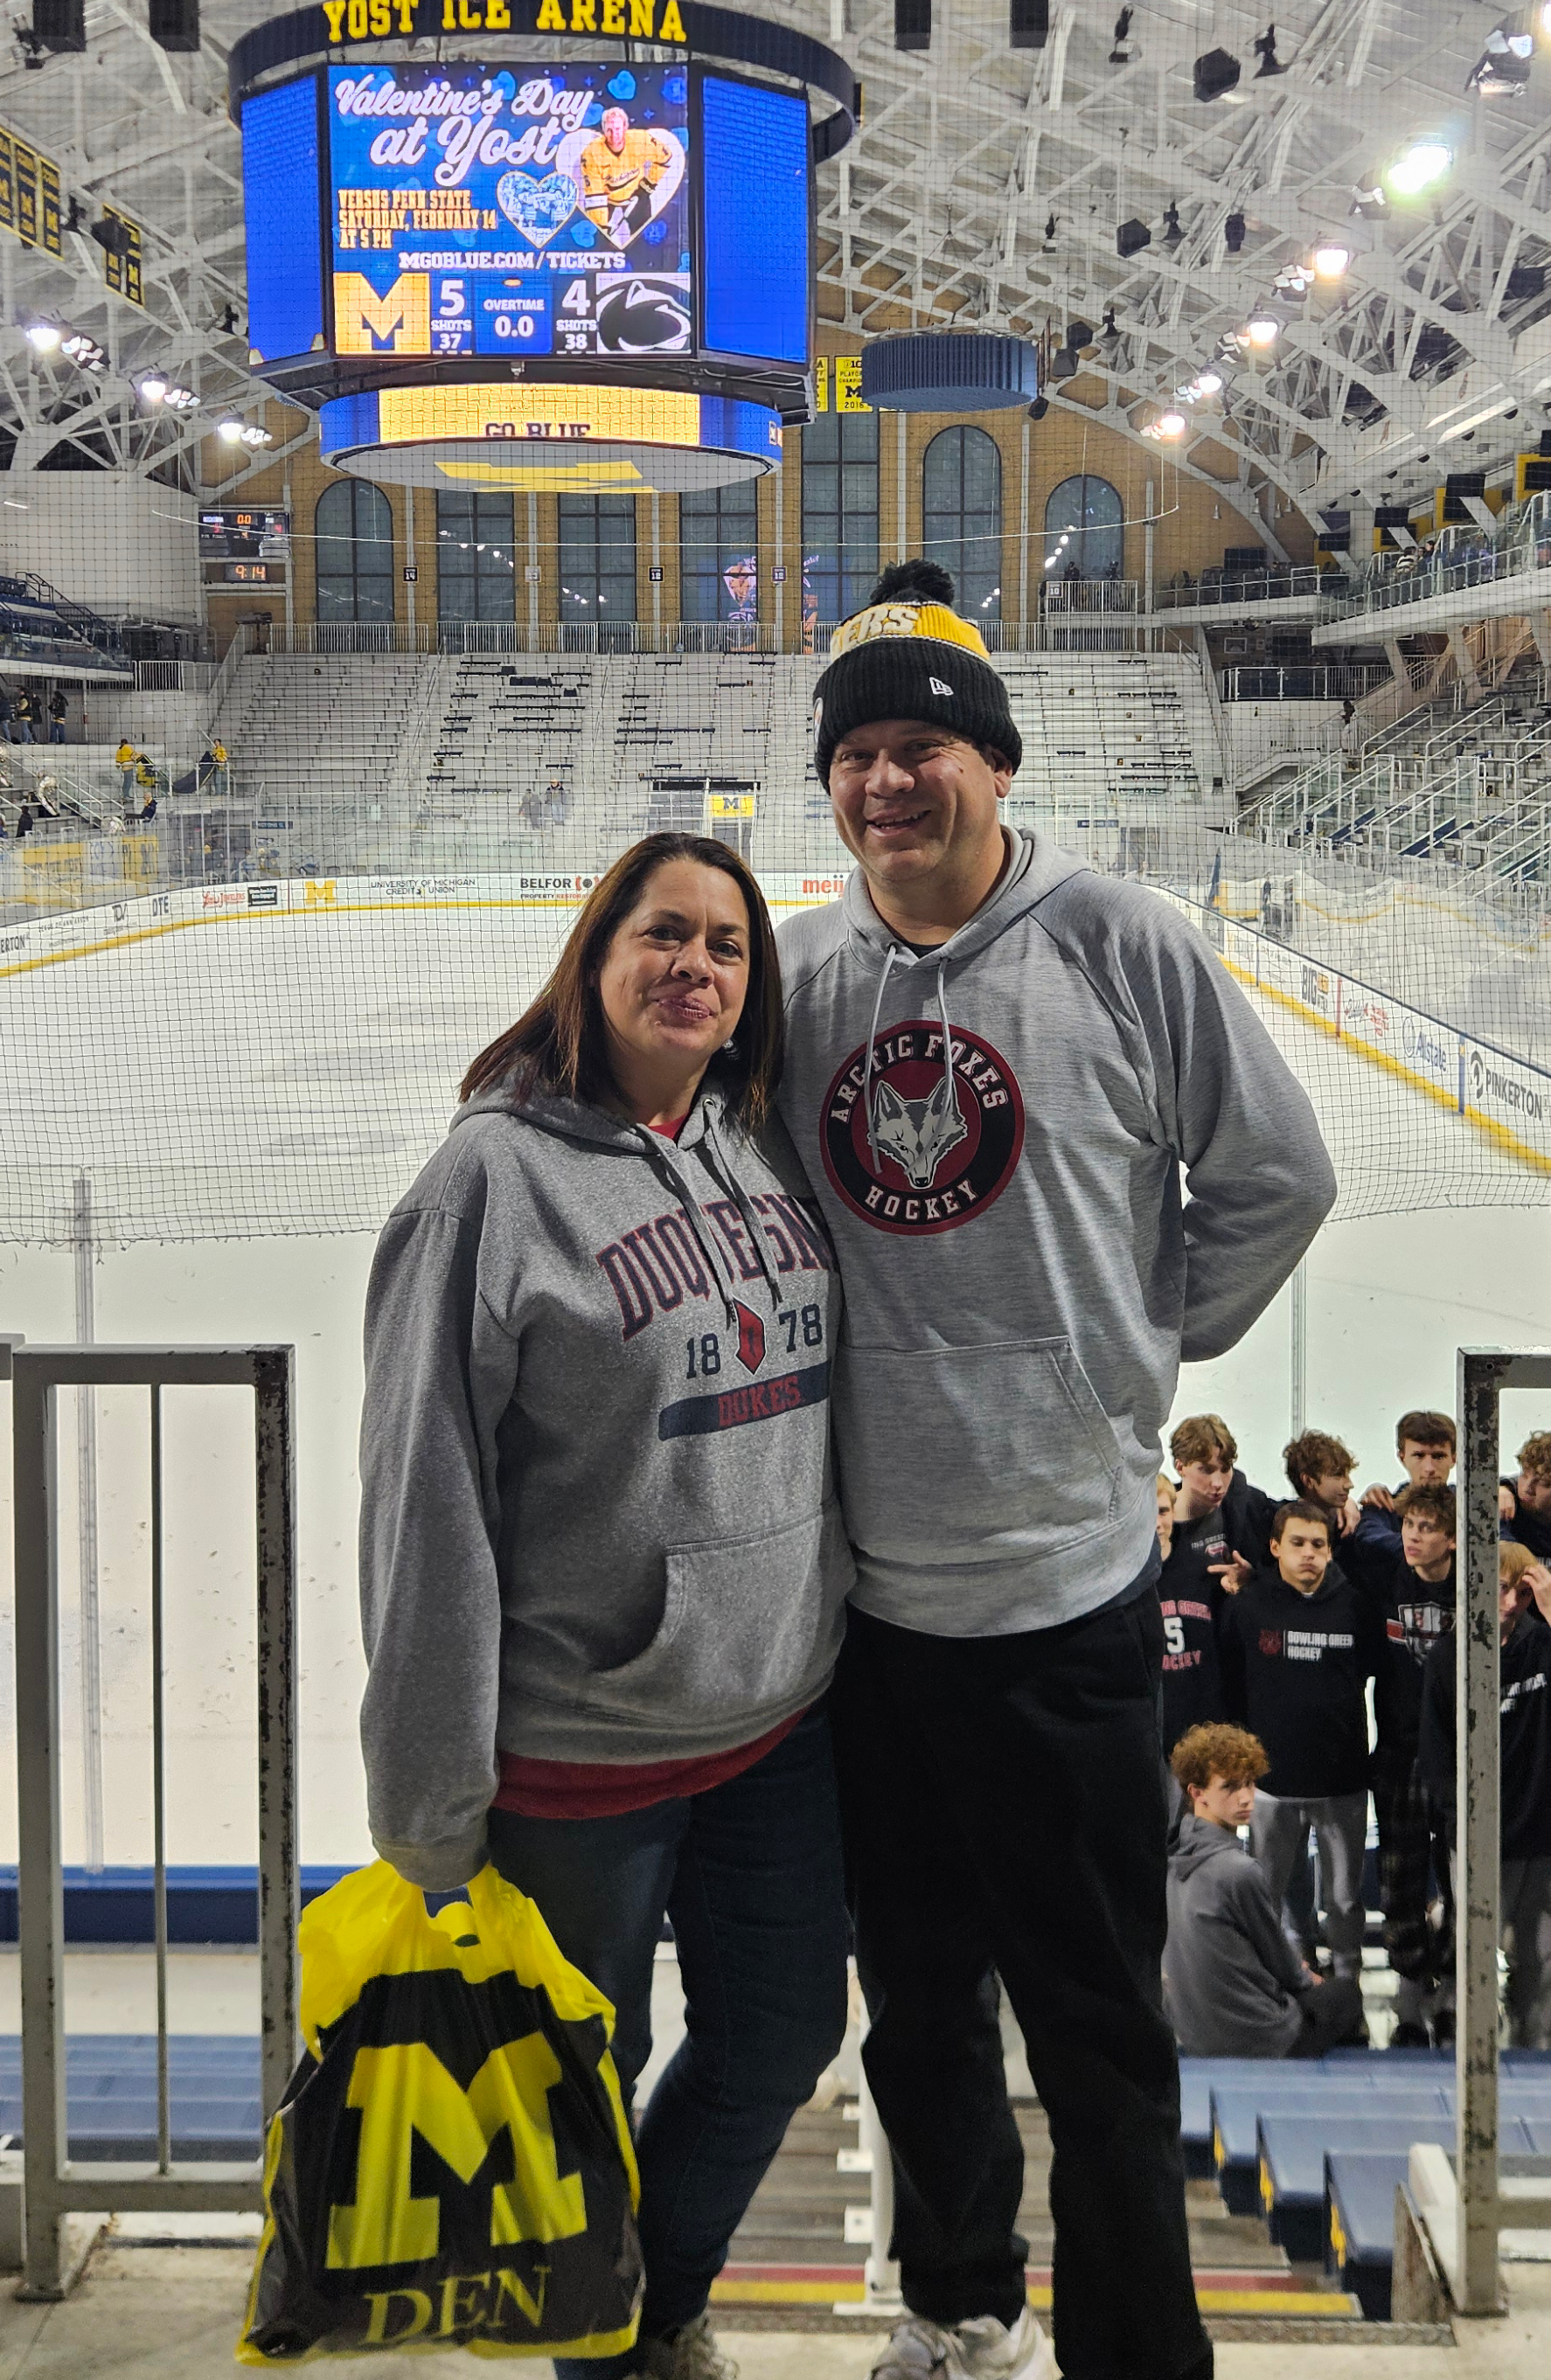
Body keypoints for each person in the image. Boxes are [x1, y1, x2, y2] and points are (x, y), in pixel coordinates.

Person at [776, 559, 1336, 2380]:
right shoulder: (797, 977)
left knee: (1096, 2018)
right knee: (918, 2008)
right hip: (863, 1605)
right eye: (857, 748)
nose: (887, 776)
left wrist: (1137, 1345)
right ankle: (955, 2309)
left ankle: (1131, 2349)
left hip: (1066, 1598)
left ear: (992, 766)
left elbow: (1272, 1175)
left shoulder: (1116, 939)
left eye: (922, 741)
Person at [358, 832, 852, 2380]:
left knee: (780, 2035)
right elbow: (420, 1506)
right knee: (579, 2093)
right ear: (594, 953)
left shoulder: (756, 1138)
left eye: (724, 942)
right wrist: (430, 1804)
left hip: (773, 1719)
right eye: (662, 933)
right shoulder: (487, 1181)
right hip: (579, 1754)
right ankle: (609, 2344)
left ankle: (646, 2296)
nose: (694, 965)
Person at [1220, 1501, 1384, 1986]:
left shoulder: (1356, 1607)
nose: (1308, 1554)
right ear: (1275, 1548)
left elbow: (1378, 1673)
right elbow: (1230, 1687)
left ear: (1331, 1551)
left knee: (1345, 1898)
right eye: (1298, 1543)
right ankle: (1277, 1981)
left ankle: (1348, 1984)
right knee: (1267, 1895)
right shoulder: (1247, 1608)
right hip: (1270, 1786)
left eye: (1318, 1545)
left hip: (1342, 1783)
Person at [1164, 1723, 1365, 2057]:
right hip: (1263, 2038)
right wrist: (1306, 1980)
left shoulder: (1171, 1864)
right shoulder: (1237, 1871)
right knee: (1346, 1995)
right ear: (1196, 1793)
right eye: (1230, 1787)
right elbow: (1284, 1969)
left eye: (1250, 1783)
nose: (1246, 1798)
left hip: (1192, 2036)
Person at [1420, 1542, 1551, 2049]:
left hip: (1538, 1833)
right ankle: (1467, 2051)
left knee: (1539, 1960)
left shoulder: (1543, 1646)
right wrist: (1462, 1822)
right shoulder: (1448, 1658)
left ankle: (1535, 2055)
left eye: (1520, 1591)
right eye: (1497, 1590)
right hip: (1478, 1836)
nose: (1509, 1602)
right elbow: (1434, 1754)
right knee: (1473, 1951)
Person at [1342, 1483, 1457, 2045]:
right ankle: (1411, 2000)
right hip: (1398, 1751)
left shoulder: (1474, 1584)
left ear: (1454, 1539)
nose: (1415, 1537)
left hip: (1460, 1757)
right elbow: (1353, 1535)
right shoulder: (1385, 1572)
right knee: (1399, 1882)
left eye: (1429, 1529)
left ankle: (1458, 1995)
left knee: (1464, 1881)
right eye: (1409, 1525)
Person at [578, 105, 678, 246]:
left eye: (618, 129)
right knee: (602, 244)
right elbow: (594, 193)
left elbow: (666, 157)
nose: (614, 135)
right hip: (607, 200)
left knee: (644, 243)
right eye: (609, 130)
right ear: (603, 130)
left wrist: (648, 185)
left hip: (637, 195)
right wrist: (602, 227)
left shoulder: (641, 140)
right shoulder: (592, 154)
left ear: (625, 127)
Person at [1356, 1411, 1456, 1520]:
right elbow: (1372, 1534)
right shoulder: (1380, 1508)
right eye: (1419, 1456)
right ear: (1402, 1458)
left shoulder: (1471, 1505)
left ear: (1454, 1458)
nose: (1429, 1468)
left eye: (1438, 1456)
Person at [1283, 1427, 1360, 1536]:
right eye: (1338, 1475)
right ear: (1308, 1481)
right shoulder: (1277, 1520)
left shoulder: (1352, 1524)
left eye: (1347, 1475)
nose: (1349, 1484)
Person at [1501, 1430, 1551, 1560]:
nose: (1528, 1488)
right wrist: (1497, 1489)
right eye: (1524, 1475)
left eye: (1543, 1483)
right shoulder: (1507, 1502)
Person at [115, 738, 136, 808]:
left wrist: (118, 766)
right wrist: (136, 760)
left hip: (123, 766)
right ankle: (126, 795)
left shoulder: (119, 749)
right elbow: (133, 755)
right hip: (129, 765)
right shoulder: (127, 747)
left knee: (126, 780)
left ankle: (125, 794)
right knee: (129, 781)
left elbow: (118, 760)